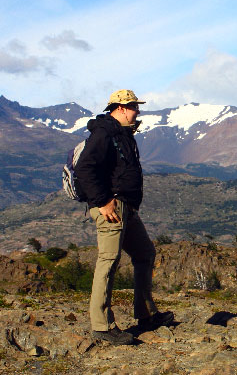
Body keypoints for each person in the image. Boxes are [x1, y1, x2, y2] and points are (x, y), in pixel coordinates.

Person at [74, 89, 173, 345]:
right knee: (108, 260)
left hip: (126, 207)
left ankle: (146, 314)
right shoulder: (104, 133)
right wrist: (102, 202)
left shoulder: (123, 134)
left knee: (145, 254)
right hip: (112, 207)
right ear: (119, 108)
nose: (136, 111)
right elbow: (85, 168)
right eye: (132, 107)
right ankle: (102, 325)